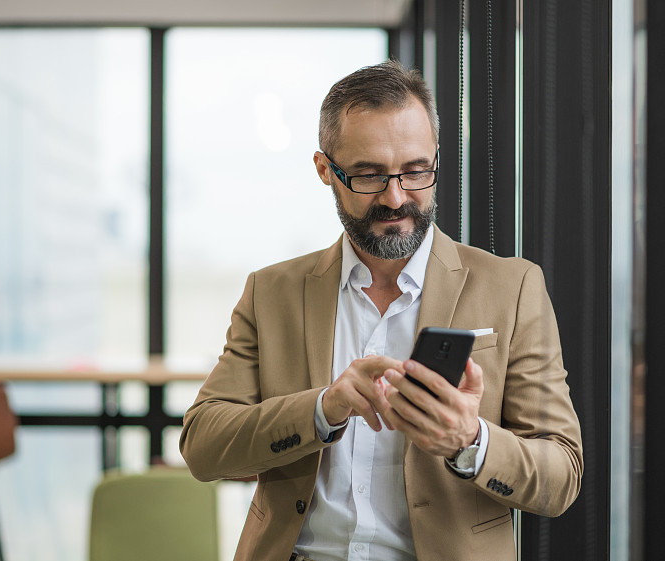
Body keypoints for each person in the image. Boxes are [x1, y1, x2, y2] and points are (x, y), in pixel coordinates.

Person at [179, 59, 582, 561]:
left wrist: (469, 439)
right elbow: (202, 446)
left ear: (436, 157)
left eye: (416, 172)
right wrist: (324, 407)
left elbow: (561, 476)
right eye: (369, 176)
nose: (396, 198)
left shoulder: (513, 287)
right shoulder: (271, 291)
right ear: (326, 170)